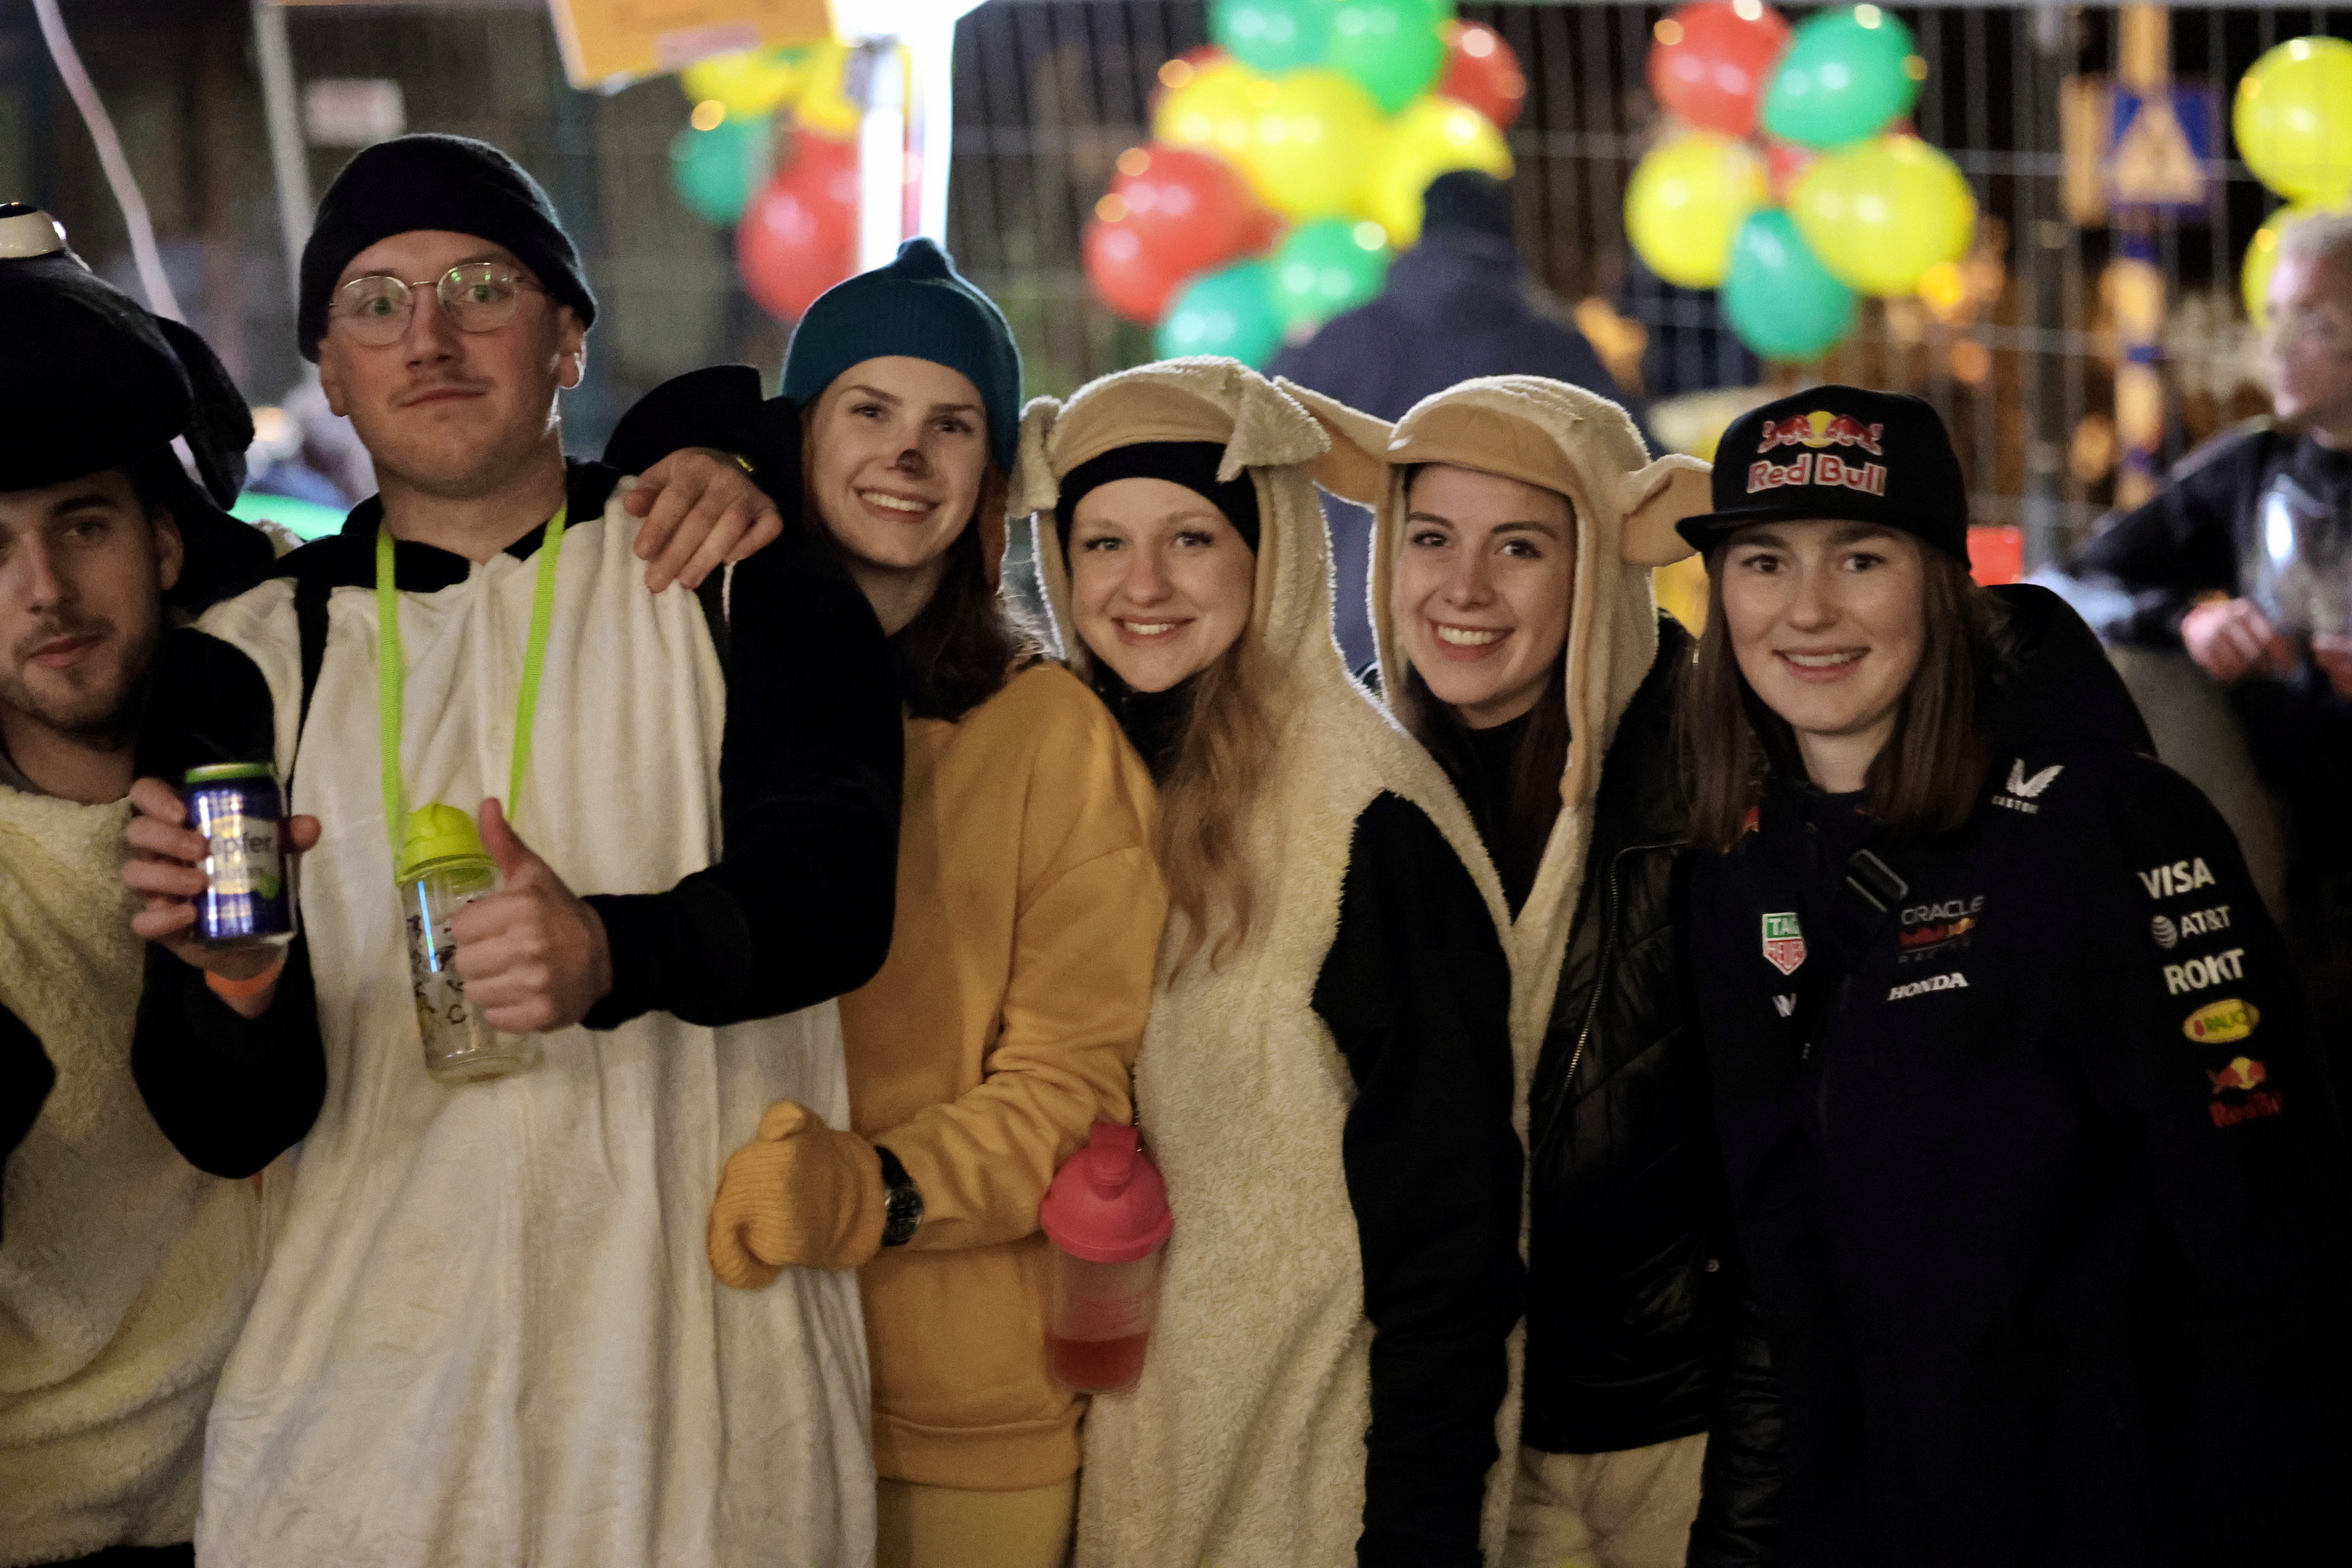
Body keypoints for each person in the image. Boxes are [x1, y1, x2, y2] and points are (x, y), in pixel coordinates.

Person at [115, 133, 903, 1567]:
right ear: (327, 368)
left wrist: (615, 949)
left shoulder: (732, 574)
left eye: (482, 287)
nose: (429, 337)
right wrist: (234, 989)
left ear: (567, 337)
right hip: (363, 1433)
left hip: (697, 1406)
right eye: (375, 303)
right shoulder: (245, 662)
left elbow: (838, 894)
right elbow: (224, 1126)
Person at [1678, 384, 2351, 1565]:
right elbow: (1779, 1273)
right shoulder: (1733, 864)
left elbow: (2267, 1247)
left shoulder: (2107, 826)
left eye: (1861, 559)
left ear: (1943, 584)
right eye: (1763, 562)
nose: (1806, 609)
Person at [702, 239, 1166, 1568]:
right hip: (716, 1367)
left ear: (992, 489)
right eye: (869, 409)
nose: (906, 452)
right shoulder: (691, 689)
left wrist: (872, 1191)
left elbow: (1071, 1090)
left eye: (950, 424)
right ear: (799, 442)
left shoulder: (1051, 738)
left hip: (954, 1424)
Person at [1011, 357, 1515, 1568]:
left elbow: (1452, 1232)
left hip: (1311, 1497)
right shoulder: (1073, 783)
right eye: (1102, 543)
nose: (1141, 585)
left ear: (1271, 549)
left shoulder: (1362, 818)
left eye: (1190, 538)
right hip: (1124, 1481)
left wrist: (1417, 1538)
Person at [1294, 374, 1777, 1568]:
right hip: (1435, 1434)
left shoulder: (1722, 781)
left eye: (1518, 547)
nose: (1462, 589)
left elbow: (1794, 1177)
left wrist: (1754, 1487)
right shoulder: (1336, 790)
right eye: (1429, 539)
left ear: (1603, 564)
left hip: (1668, 1436)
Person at [0, 204, 274, 1568]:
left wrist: (708, 463)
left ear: (164, 543)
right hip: (36, 1511)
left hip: (287, 1476)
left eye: (84, 524)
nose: (44, 588)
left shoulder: (291, 718)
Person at [2071, 211, 2352, 1072]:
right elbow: (2073, 582)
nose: (2279, 345)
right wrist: (2187, 617)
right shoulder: (2257, 469)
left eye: (2316, 322)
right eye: (2276, 315)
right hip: (2284, 843)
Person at [1269, 172, 1633, 669]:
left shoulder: (1336, 341)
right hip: (1499, 637)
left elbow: (1256, 449)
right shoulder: (1555, 349)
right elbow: (1633, 471)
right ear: (1509, 236)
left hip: (1348, 625)